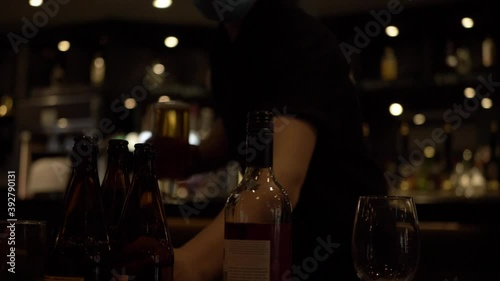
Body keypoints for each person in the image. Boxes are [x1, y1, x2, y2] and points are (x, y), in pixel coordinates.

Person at [171, 0, 389, 280]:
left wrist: (191, 263)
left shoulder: (294, 34)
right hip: (285, 238)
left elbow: (281, 177)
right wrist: (193, 159)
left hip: (339, 243)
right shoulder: (226, 42)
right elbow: (239, 121)